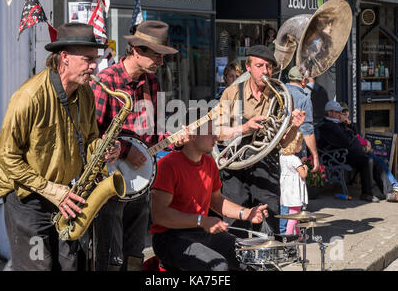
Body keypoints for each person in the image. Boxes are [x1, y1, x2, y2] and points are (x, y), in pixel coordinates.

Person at [0, 23, 121, 271]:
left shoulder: (86, 94)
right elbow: (6, 157)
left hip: (66, 196)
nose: (94, 66)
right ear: (64, 57)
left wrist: (103, 148)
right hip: (29, 200)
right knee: (38, 266)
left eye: (96, 59)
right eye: (87, 59)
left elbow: (91, 137)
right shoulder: (28, 96)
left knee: (70, 265)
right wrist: (52, 190)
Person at [91, 20, 189, 271]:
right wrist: (125, 150)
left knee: (135, 253)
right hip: (109, 180)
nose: (161, 62)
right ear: (137, 50)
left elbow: (151, 133)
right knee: (110, 255)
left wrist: (172, 139)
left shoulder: (152, 83)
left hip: (140, 182)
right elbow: (91, 135)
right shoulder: (105, 82)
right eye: (157, 55)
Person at [150, 108, 269, 271]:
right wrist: (201, 221)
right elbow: (160, 215)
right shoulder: (167, 165)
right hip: (169, 237)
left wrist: (246, 213)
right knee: (218, 267)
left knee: (251, 258)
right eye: (210, 132)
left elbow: (217, 200)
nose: (216, 137)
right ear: (192, 134)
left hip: (201, 232)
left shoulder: (209, 162)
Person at [216, 44, 306, 236]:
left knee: (268, 224)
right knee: (235, 224)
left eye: (269, 67)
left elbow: (283, 142)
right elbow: (216, 133)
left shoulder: (281, 96)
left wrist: (295, 126)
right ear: (248, 67)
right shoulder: (231, 93)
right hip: (235, 165)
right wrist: (243, 128)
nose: (265, 71)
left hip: (266, 164)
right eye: (259, 66)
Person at [339, 102, 398, 200]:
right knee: (377, 161)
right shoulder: (339, 127)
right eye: (342, 111)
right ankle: (394, 186)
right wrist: (364, 145)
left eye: (346, 111)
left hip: (361, 151)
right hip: (355, 153)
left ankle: (393, 188)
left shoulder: (350, 125)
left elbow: (357, 136)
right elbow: (353, 141)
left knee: (379, 162)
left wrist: (350, 124)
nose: (345, 113)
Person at [280, 66, 319, 233]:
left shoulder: (280, 93)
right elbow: (307, 129)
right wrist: (315, 155)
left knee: (283, 191)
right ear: (303, 80)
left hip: (278, 150)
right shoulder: (304, 97)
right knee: (295, 193)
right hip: (295, 150)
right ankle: (290, 232)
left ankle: (282, 228)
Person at [316, 100, 379, 202]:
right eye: (337, 112)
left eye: (340, 112)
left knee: (374, 160)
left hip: (346, 153)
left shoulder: (337, 123)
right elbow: (346, 141)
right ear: (330, 113)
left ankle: (388, 191)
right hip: (338, 156)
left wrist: (348, 124)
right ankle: (367, 194)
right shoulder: (328, 125)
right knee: (367, 161)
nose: (340, 114)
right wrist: (350, 133)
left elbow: (354, 133)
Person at [279, 132, 308, 236]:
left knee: (294, 213)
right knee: (294, 214)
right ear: (294, 146)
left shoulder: (282, 157)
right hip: (294, 190)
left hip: (286, 189)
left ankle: (299, 234)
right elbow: (303, 174)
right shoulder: (295, 159)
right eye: (300, 144)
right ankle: (289, 235)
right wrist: (305, 167)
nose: (300, 147)